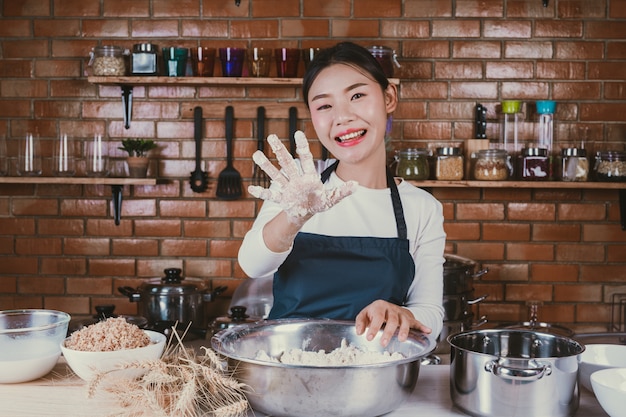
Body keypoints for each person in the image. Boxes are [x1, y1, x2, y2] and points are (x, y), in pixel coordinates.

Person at [238, 41, 445, 347]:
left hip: (371, 376)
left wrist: (399, 313)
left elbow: (430, 315)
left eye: (357, 95)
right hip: (289, 368)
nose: (342, 116)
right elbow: (253, 265)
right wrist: (295, 216)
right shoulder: (298, 188)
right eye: (324, 105)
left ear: (389, 98)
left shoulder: (422, 208)